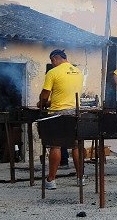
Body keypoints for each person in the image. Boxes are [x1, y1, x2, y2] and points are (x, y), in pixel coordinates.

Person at [37, 49, 84, 190]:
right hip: (75, 113)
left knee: (55, 145)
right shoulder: (78, 72)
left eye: (52, 61)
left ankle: (51, 180)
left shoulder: (52, 73)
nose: (52, 64)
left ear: (55, 58)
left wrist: (42, 102)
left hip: (57, 114)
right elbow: (65, 94)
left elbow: (45, 95)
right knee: (75, 145)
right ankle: (80, 178)